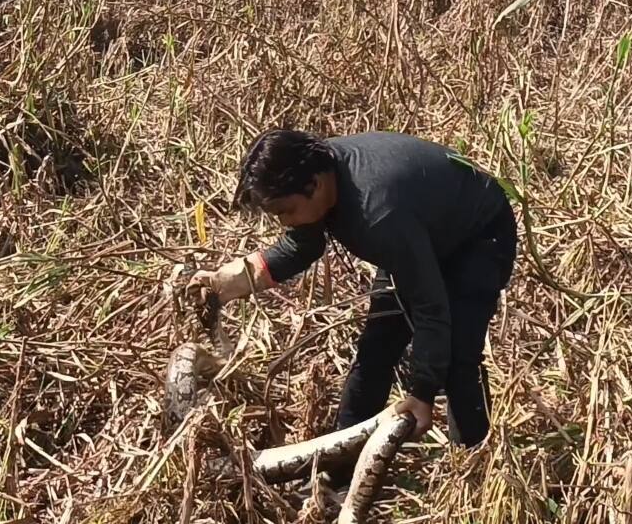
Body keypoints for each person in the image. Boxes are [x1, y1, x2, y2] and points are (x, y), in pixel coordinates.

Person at [187, 129, 517, 475]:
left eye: (286, 211)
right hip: (421, 233)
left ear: (314, 186)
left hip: (478, 237)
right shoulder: (321, 174)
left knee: (458, 358)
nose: (285, 222)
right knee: (375, 352)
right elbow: (304, 245)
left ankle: (473, 468)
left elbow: (429, 305)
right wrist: (234, 280)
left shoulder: (377, 213)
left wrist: (422, 392)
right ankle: (341, 468)